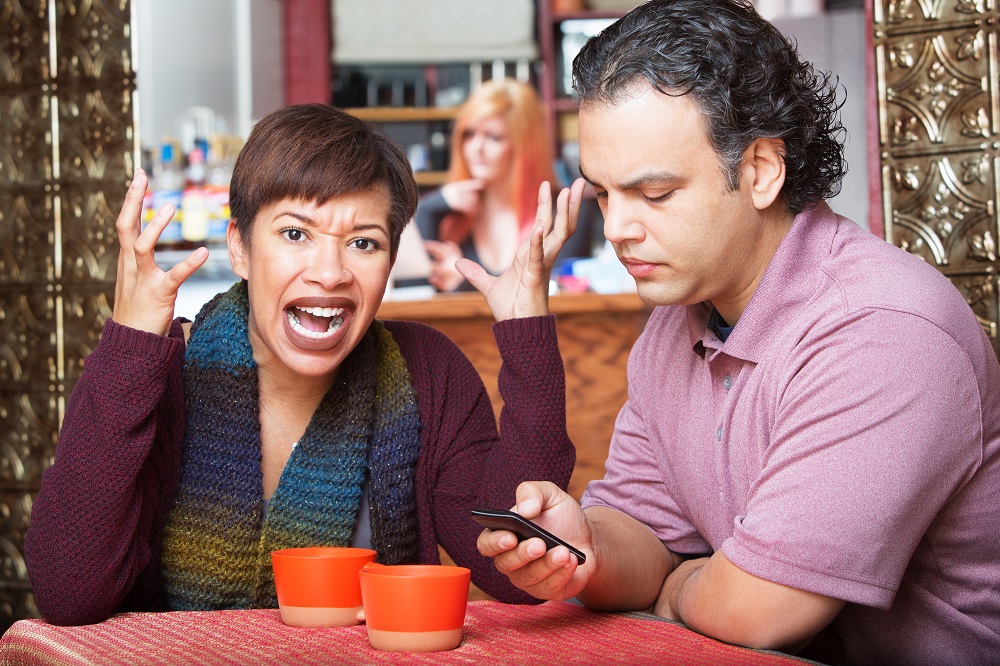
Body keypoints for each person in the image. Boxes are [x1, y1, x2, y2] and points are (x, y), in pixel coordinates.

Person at [475, 2, 1000, 664]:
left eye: (655, 194)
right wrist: (587, 549)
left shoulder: (882, 331)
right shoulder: (677, 321)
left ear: (760, 170)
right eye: (604, 194)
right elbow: (645, 529)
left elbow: (759, 612)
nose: (616, 230)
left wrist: (675, 591)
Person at [25, 103, 586, 625]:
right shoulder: (160, 373)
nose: (330, 273)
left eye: (363, 244)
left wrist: (527, 332)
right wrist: (129, 342)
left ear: (391, 260)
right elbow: (70, 592)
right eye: (295, 234)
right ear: (240, 247)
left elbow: (514, 572)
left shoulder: (427, 372)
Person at [414, 78, 600, 292]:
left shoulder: (566, 215)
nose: (476, 148)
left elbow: (557, 303)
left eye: (493, 137)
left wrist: (464, 286)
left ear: (525, 146)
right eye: (469, 134)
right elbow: (411, 297)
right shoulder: (444, 213)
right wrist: (428, 210)